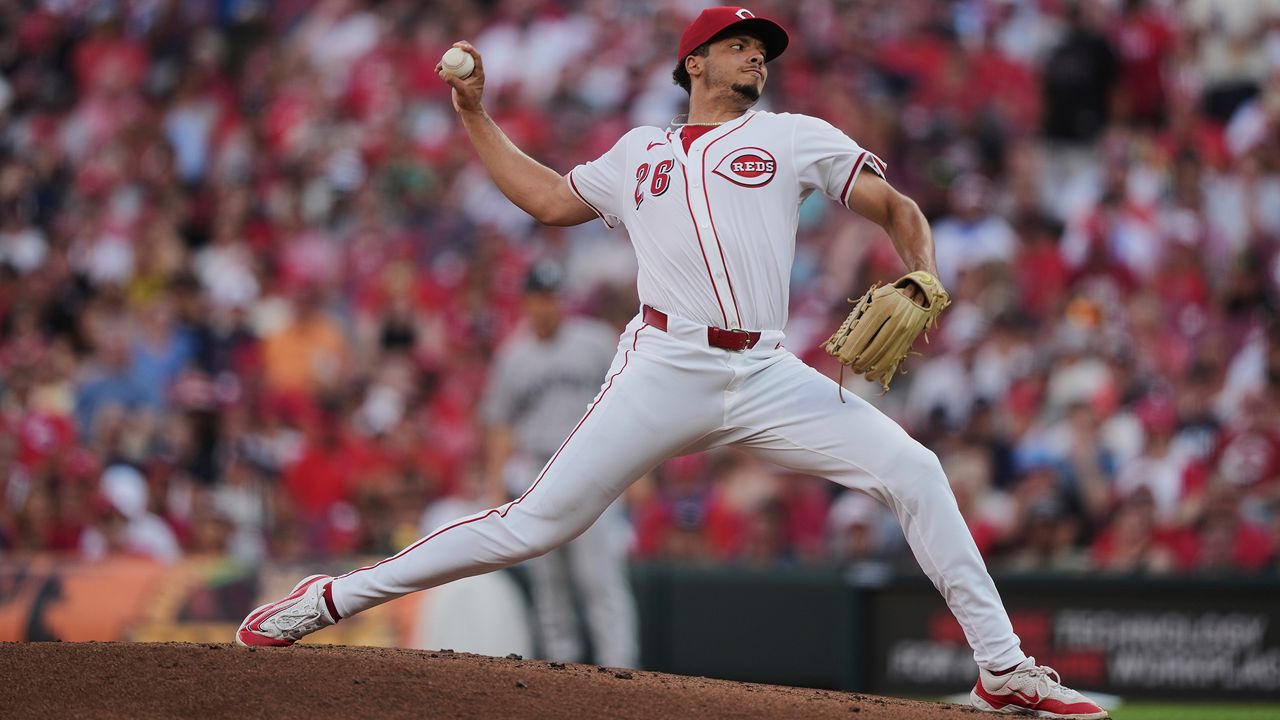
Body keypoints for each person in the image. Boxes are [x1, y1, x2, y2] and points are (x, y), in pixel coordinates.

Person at [236, 7, 1108, 718]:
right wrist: (474, 115)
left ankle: (1003, 669)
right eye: (738, 44)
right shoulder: (637, 153)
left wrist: (919, 269)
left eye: (761, 48)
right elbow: (545, 198)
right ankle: (331, 599)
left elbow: (895, 204)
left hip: (767, 374)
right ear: (695, 63)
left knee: (915, 470)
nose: (755, 56)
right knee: (535, 524)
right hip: (666, 364)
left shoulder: (794, 136)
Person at [480, 261, 638, 667]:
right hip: (538, 469)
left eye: (551, 297)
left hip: (593, 467)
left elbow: (627, 401)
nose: (545, 306)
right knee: (549, 582)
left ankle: (621, 670)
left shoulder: (593, 341)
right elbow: (499, 425)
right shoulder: (513, 356)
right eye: (538, 297)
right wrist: (495, 484)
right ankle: (559, 674)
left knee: (599, 578)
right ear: (526, 302)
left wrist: (636, 468)